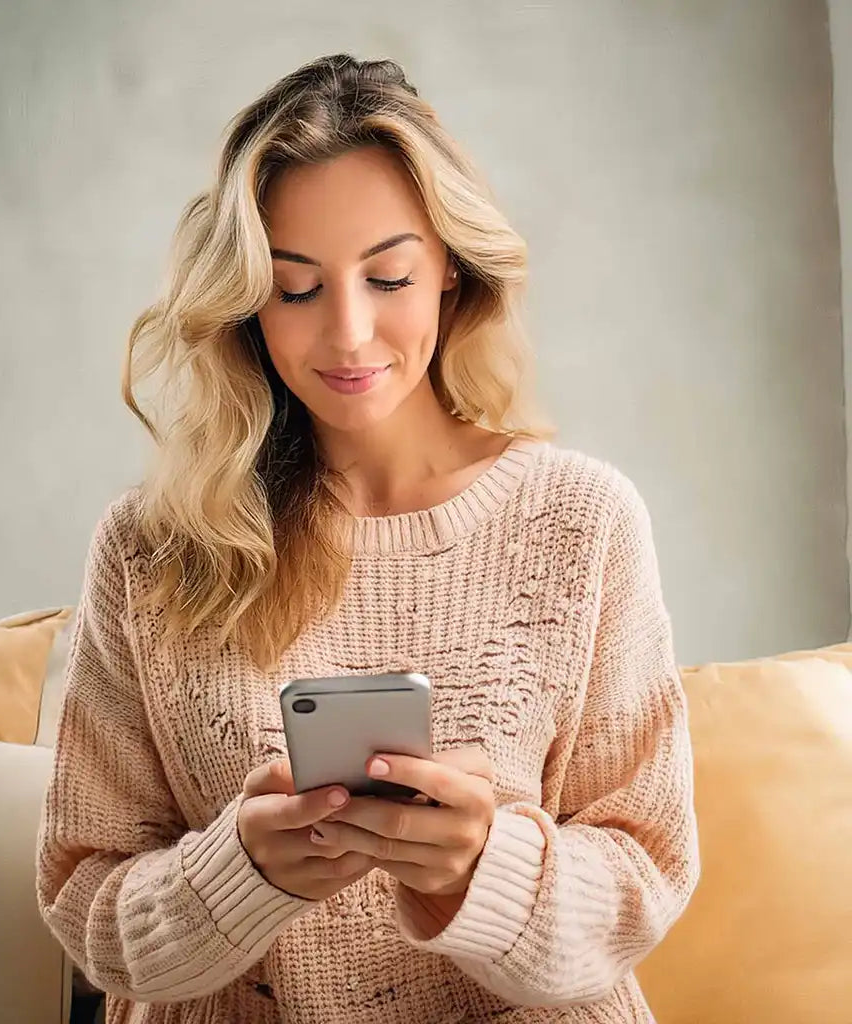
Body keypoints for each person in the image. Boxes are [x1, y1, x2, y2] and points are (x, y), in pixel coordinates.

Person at [36, 53, 700, 1024]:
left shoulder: (581, 520)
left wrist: (484, 867)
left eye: (387, 276)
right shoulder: (151, 547)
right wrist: (240, 870)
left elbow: (644, 874)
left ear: (450, 274)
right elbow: (85, 900)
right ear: (245, 306)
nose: (348, 334)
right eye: (296, 289)